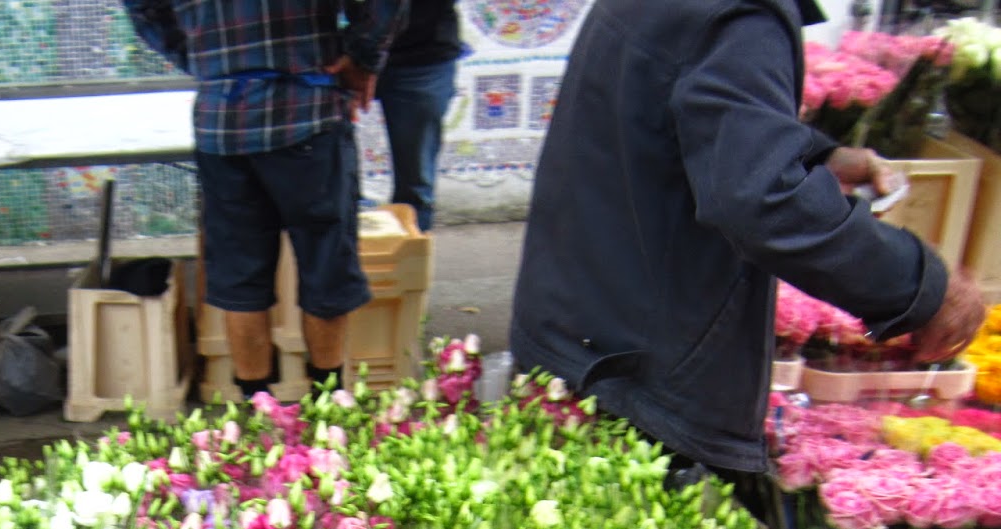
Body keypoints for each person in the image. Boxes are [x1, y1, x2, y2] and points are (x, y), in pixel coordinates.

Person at [510, 0, 987, 479]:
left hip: (587, 323)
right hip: (630, 364)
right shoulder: (740, 15)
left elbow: (676, 106)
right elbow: (763, 201)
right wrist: (923, 287)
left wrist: (814, 156)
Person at [126, 0, 409, 398]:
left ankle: (256, 413)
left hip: (222, 125)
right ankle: (326, 410)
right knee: (324, 263)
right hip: (306, 115)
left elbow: (144, 9)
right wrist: (361, 57)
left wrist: (206, 63)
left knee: (240, 276)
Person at [376, 0, 463, 233]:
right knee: (328, 181)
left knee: (415, 186)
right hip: (336, 55)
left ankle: (410, 263)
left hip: (422, 55)